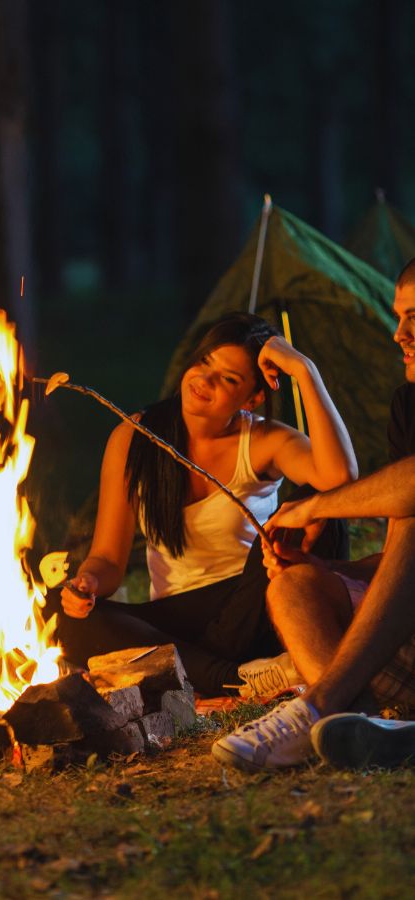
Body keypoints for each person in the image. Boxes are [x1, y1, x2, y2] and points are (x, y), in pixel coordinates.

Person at [49, 312, 357, 697]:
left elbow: (341, 476)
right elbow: (108, 560)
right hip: (179, 622)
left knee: (321, 507)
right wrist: (89, 584)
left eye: (228, 379)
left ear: (253, 396)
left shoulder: (262, 440)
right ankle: (238, 679)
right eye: (204, 362)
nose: (204, 380)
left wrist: (305, 370)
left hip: (256, 605)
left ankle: (202, 674)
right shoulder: (134, 438)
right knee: (61, 615)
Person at [213, 260, 415, 771]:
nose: (399, 335)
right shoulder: (409, 405)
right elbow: (401, 562)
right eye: (398, 317)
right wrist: (329, 572)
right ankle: (365, 727)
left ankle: (318, 707)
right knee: (292, 585)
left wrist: (313, 506)